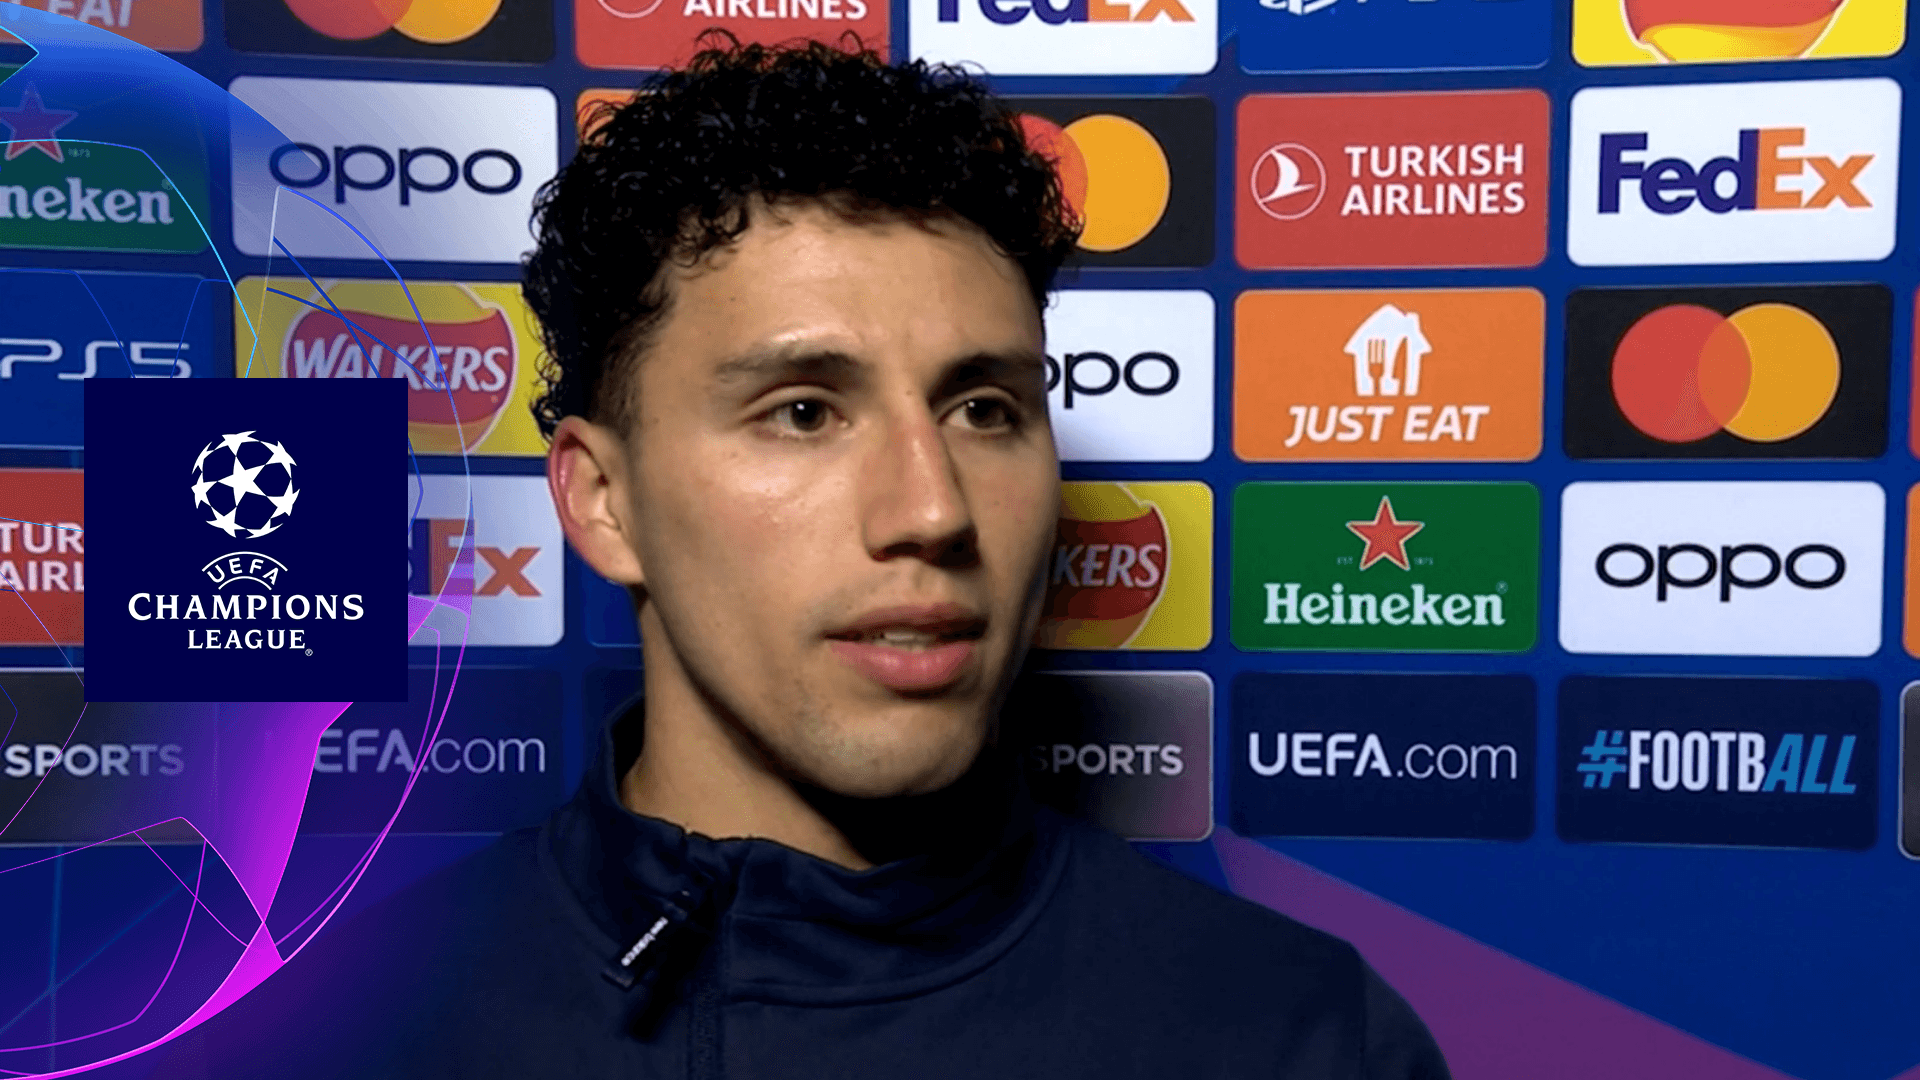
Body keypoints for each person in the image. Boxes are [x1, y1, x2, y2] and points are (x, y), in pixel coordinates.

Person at [143, 37, 1451, 1079]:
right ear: (602, 503)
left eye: (983, 409)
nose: (931, 509)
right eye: (805, 412)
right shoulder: (329, 1038)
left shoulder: (1297, 1038)